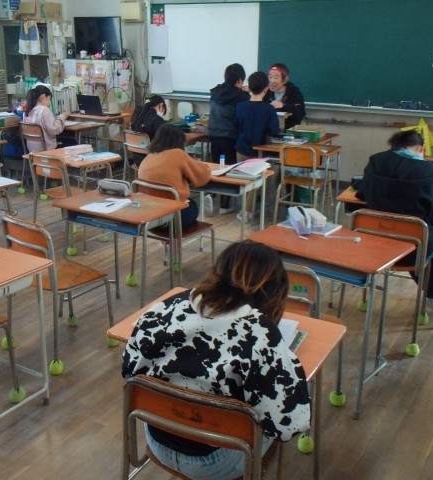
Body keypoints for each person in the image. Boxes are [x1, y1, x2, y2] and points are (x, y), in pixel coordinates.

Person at [122, 241, 311, 480]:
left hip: (156, 437)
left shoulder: (168, 306)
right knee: (266, 423)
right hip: (214, 463)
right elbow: (291, 424)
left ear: (217, 272)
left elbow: (129, 370)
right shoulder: (261, 334)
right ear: (274, 294)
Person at [356, 130, 433, 308]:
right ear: (422, 148)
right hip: (411, 251)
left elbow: (362, 194)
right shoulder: (431, 172)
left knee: (414, 233)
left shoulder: (376, 161)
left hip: (371, 244)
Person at [137, 124, 211, 229]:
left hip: (150, 220)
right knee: (193, 204)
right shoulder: (178, 154)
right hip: (176, 219)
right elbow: (203, 177)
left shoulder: (148, 158)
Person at [234, 71, 279, 223]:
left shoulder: (240, 106)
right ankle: (246, 213)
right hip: (259, 151)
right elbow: (274, 131)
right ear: (266, 90)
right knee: (255, 182)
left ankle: (245, 210)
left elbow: (236, 125)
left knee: (245, 180)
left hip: (241, 148)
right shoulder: (268, 109)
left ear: (249, 88)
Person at [207, 63, 249, 215]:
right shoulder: (242, 96)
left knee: (215, 166)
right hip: (230, 136)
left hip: (213, 134)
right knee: (229, 169)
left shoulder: (215, 91)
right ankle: (225, 205)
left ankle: (210, 195)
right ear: (239, 80)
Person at [23, 85, 70, 152]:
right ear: (44, 97)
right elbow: (54, 129)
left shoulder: (27, 111)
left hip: (32, 151)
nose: (49, 103)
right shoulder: (44, 110)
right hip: (45, 150)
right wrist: (62, 117)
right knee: (70, 143)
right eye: (49, 99)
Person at [264, 63, 306, 130]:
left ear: (284, 80)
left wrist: (283, 105)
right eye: (270, 77)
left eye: (276, 78)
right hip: (269, 130)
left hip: (289, 131)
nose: (272, 81)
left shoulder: (294, 92)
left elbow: (300, 113)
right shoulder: (265, 92)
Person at [129, 95, 166, 167]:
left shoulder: (136, 115)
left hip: (138, 160)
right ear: (161, 105)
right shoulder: (156, 120)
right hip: (151, 162)